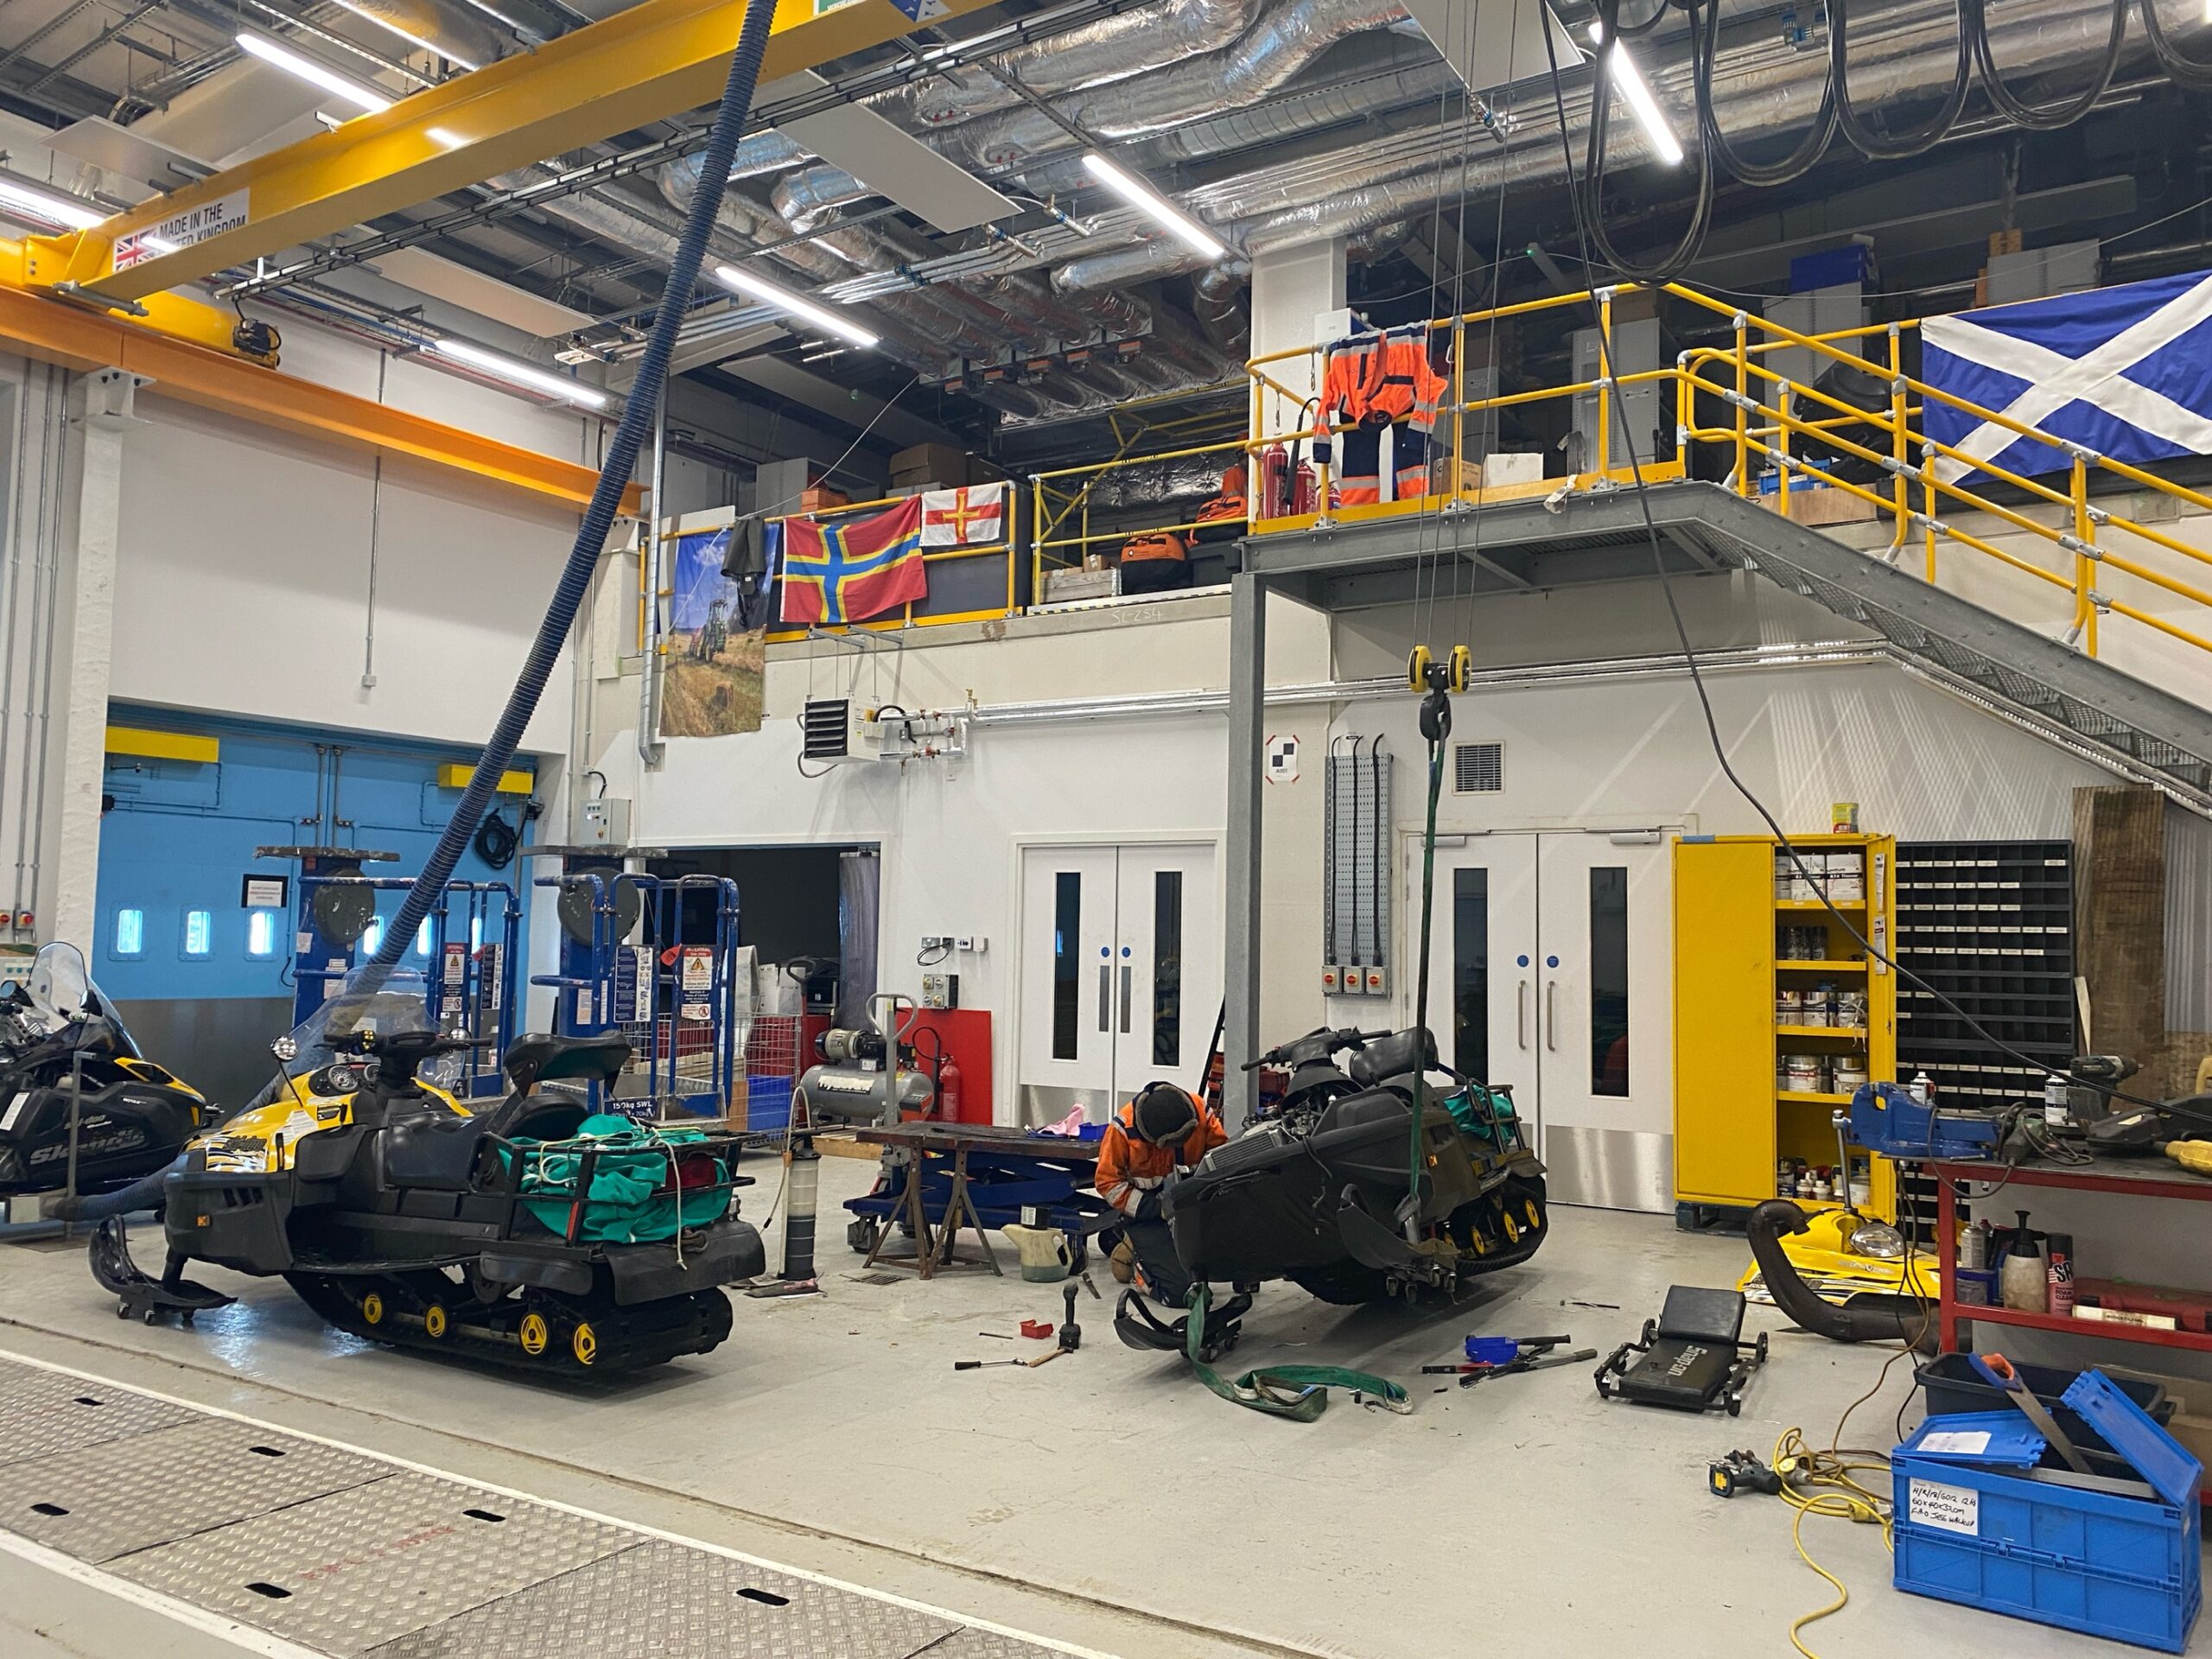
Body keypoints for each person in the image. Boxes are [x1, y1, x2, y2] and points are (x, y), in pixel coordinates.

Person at [1094, 1080, 1224, 1306]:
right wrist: (1157, 1209)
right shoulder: (1122, 1131)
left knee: (1236, 1260)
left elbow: (1221, 1157)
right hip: (1149, 1216)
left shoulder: (1200, 1111)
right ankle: (1137, 1264)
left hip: (1195, 1207)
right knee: (1179, 1293)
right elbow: (1108, 1184)